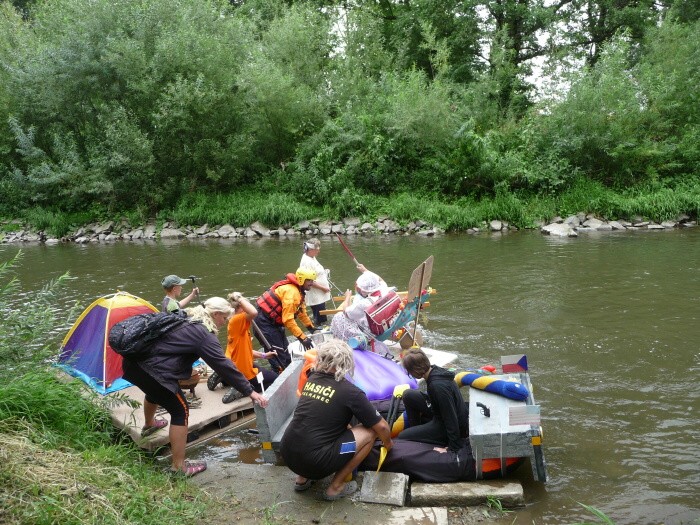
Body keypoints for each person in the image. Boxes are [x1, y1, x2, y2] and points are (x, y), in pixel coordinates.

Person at [121, 297, 268, 476]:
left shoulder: (186, 316)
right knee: (180, 411)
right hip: (152, 371)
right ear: (216, 314)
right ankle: (179, 467)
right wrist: (250, 391)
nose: (224, 323)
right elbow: (223, 365)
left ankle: (150, 424)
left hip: (133, 364)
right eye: (224, 318)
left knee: (155, 393)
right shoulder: (204, 334)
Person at [280, 339, 393, 500]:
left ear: (320, 359)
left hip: (288, 453)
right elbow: (381, 427)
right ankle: (336, 487)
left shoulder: (312, 378)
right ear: (347, 363)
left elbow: (325, 415)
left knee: (310, 427)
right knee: (370, 433)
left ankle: (302, 479)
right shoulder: (351, 392)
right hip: (317, 462)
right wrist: (388, 444)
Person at [207, 292, 279, 403]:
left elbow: (244, 350)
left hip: (232, 362)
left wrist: (264, 355)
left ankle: (224, 376)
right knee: (275, 379)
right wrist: (239, 298)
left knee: (262, 370)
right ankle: (243, 388)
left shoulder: (239, 325)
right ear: (241, 308)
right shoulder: (237, 320)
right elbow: (254, 312)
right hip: (242, 369)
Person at [398, 348, 469, 453]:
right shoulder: (435, 370)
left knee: (403, 436)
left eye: (409, 372)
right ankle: (418, 430)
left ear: (415, 370)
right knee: (408, 395)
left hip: (449, 425)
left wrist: (453, 447)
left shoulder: (437, 387)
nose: (411, 375)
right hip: (439, 413)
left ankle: (421, 435)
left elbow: (450, 418)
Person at [254, 268, 318, 373]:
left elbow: (301, 312)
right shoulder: (291, 293)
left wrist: (311, 327)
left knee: (286, 353)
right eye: (309, 280)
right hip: (264, 322)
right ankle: (278, 377)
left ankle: (287, 373)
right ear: (301, 280)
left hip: (274, 323)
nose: (312, 283)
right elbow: (288, 320)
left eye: (312, 280)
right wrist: (302, 337)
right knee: (277, 356)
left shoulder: (299, 292)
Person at [330, 264, 389, 342]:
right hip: (382, 326)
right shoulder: (384, 290)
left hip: (370, 333)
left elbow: (346, 312)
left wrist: (347, 297)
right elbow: (380, 280)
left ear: (363, 290)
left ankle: (340, 341)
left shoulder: (365, 303)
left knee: (339, 317)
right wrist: (365, 270)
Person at [299, 238, 332, 326]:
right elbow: (309, 281)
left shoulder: (311, 257)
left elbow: (315, 271)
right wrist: (324, 288)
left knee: (322, 312)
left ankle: (319, 325)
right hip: (316, 294)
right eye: (317, 250)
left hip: (320, 293)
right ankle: (318, 329)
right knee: (319, 314)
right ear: (311, 250)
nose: (318, 251)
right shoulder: (306, 261)